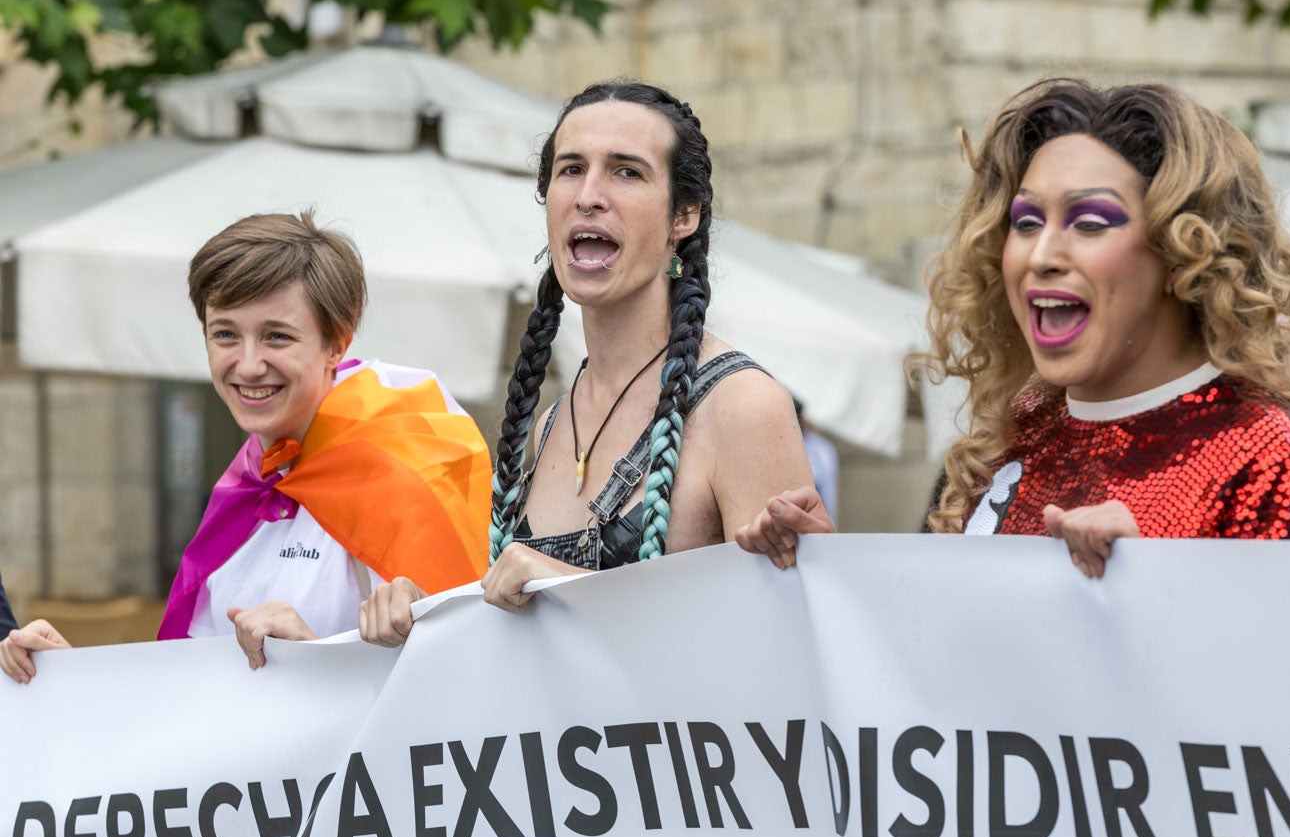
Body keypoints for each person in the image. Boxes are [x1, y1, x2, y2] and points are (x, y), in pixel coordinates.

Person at [739, 79, 1290, 576]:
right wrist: (829, 573)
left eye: (1089, 223)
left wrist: (1164, 589)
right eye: (1027, 222)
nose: (1041, 255)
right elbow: (932, 667)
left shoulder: (1265, 459)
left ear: (1181, 254)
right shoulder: (1009, 438)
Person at [358, 80, 814, 642]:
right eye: (571, 169)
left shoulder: (742, 407)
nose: (589, 195)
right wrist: (422, 615)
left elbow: (789, 649)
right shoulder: (549, 424)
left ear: (684, 215)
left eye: (627, 172)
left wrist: (577, 592)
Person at [0, 212, 492, 682]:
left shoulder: (404, 468)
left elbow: (468, 684)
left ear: (336, 343)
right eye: (226, 335)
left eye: (277, 336)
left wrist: (315, 660)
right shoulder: (250, 483)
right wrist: (67, 680)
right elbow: (192, 693)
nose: (249, 364)